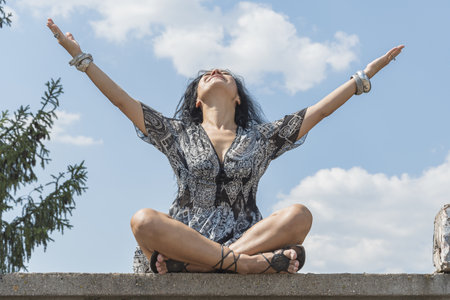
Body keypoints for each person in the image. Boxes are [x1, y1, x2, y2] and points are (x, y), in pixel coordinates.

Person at [47, 18, 404, 275]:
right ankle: (242, 266)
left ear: (237, 98)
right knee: (142, 221)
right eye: (206, 75)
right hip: (183, 237)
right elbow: (124, 103)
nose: (215, 71)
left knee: (300, 215)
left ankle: (203, 266)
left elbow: (320, 111)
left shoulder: (261, 138)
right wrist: (83, 60)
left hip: (243, 237)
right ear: (197, 101)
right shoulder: (177, 134)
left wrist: (362, 78)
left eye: (225, 74)